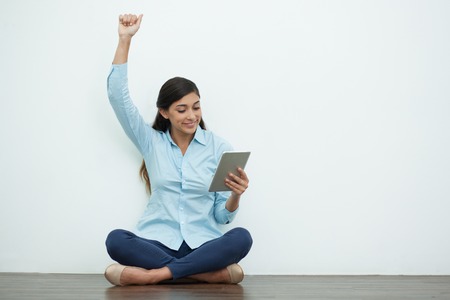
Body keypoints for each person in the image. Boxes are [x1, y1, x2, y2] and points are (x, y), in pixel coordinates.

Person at [104, 14, 253, 286]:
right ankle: (203, 275)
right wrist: (124, 39)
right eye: (181, 109)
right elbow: (118, 97)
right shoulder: (151, 142)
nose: (191, 116)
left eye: (196, 107)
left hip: (202, 246)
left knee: (242, 237)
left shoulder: (219, 147)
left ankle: (159, 276)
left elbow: (222, 217)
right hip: (156, 244)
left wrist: (235, 195)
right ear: (165, 112)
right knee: (116, 239)